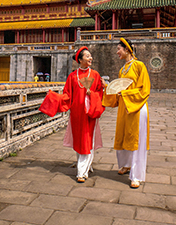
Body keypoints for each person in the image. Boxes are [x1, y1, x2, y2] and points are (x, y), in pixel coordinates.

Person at [102, 38, 150, 188]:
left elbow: (145, 89)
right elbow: (118, 91)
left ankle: (136, 175)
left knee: (135, 139)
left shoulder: (139, 66)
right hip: (124, 107)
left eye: (119, 49)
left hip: (137, 106)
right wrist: (107, 89)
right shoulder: (122, 70)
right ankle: (126, 164)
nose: (117, 52)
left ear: (127, 49)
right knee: (124, 135)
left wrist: (126, 94)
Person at [61, 46, 105, 182]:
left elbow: (100, 93)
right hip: (76, 113)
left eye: (90, 55)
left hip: (90, 112)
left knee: (87, 140)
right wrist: (56, 99)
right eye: (87, 56)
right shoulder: (72, 76)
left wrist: (93, 94)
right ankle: (85, 165)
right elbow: (67, 94)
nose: (90, 58)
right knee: (79, 140)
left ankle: (81, 172)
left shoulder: (95, 75)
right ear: (80, 60)